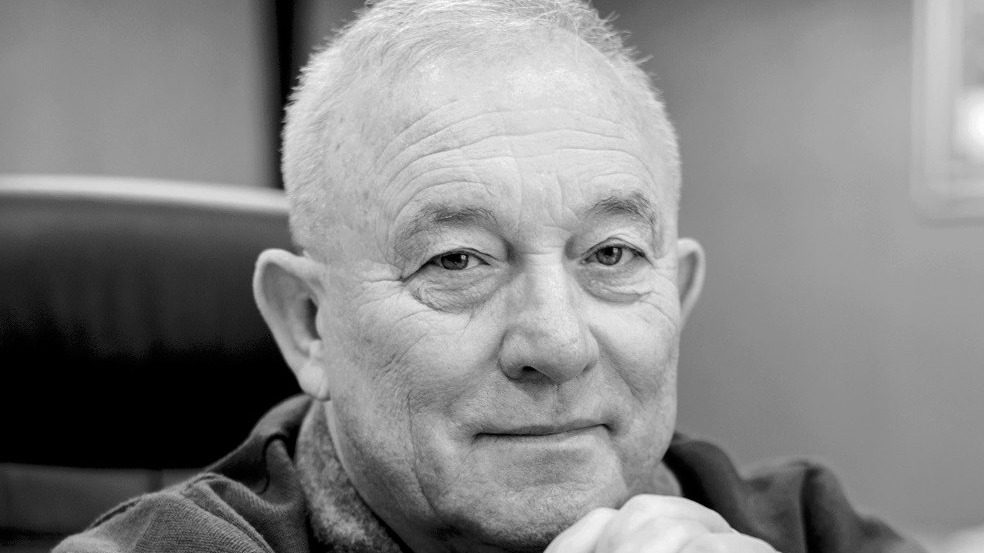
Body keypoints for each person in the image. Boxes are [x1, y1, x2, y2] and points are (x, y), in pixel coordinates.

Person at [56, 1, 926, 552]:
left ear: (680, 295)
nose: (557, 341)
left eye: (611, 255)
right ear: (309, 323)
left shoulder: (804, 526)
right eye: (458, 261)